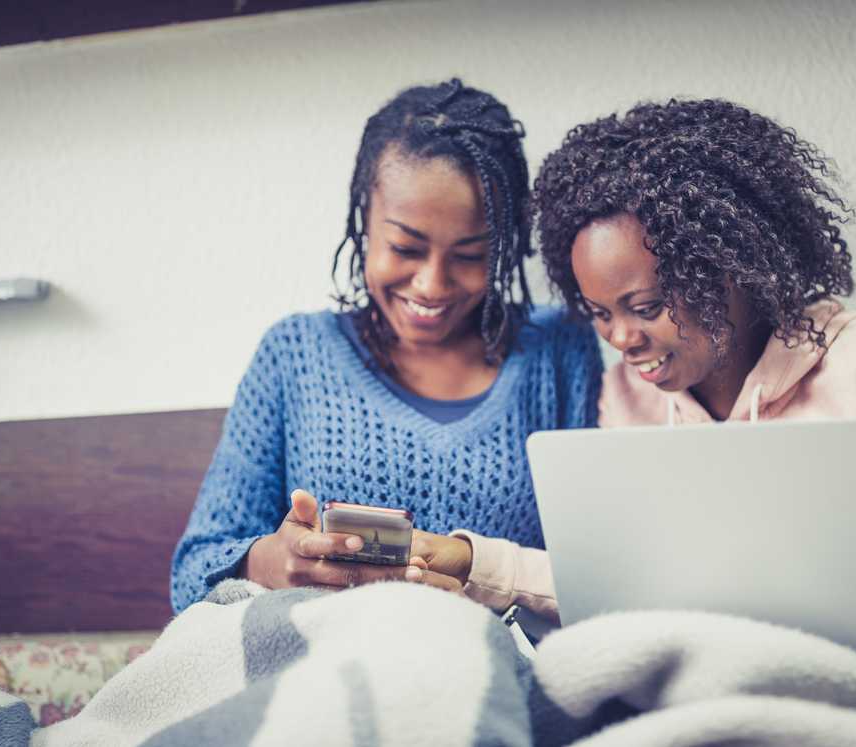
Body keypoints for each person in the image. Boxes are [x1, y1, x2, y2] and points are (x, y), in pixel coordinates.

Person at [170, 79, 603, 617]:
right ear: (364, 221)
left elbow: (598, 573)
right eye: (406, 247)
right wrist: (269, 562)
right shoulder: (295, 354)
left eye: (471, 255)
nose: (432, 285)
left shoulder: (561, 350)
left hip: (494, 674)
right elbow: (192, 572)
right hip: (322, 669)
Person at [532, 98, 856, 519]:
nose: (620, 338)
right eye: (601, 312)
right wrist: (482, 563)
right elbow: (615, 570)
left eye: (646, 307)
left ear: (726, 271)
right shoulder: (627, 397)